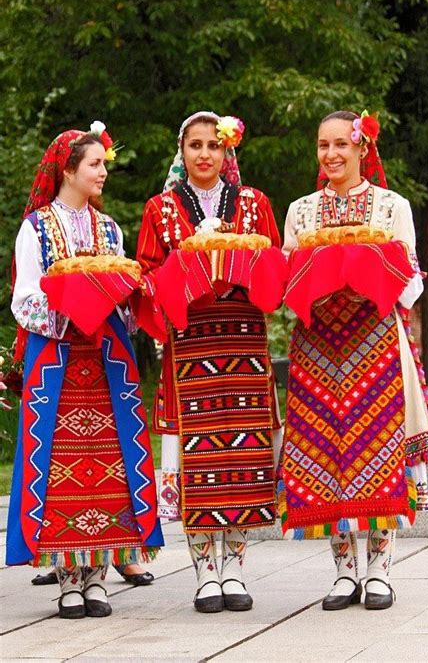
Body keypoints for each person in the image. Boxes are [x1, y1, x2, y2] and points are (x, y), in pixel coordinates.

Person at [280, 110, 428, 610]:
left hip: (376, 343)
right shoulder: (301, 211)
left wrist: (370, 271)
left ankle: (380, 571)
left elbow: (410, 280)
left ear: (361, 149)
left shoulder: (393, 207)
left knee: (380, 454)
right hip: (318, 345)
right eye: (322, 145)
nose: (331, 155)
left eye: (341, 145)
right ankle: (344, 572)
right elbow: (288, 276)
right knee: (324, 455)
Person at [7, 123, 164, 618]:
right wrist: (70, 310)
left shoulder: (111, 229)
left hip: (104, 362)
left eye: (103, 164)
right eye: (95, 164)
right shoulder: (34, 228)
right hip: (56, 359)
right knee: (58, 465)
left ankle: (97, 576)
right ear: (69, 169)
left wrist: (128, 299)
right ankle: (67, 580)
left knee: (108, 461)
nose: (102, 172)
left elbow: (120, 291)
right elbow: (24, 299)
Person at [136, 111, 281, 613]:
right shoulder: (159, 210)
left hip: (242, 341)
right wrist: (185, 268)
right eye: (194, 145)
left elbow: (274, 263)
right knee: (199, 455)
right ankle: (203, 571)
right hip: (190, 341)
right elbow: (148, 275)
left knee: (239, 455)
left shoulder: (254, 203)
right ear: (182, 151)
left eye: (212, 146)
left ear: (227, 152)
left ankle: (235, 568)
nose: (204, 155)